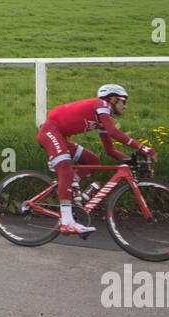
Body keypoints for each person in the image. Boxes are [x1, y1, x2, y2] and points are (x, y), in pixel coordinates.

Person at [37, 84, 157, 236]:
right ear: (113, 99)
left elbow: (110, 150)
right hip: (50, 132)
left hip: (60, 136)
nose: (125, 107)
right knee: (66, 168)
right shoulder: (102, 105)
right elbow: (113, 132)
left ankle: (67, 183)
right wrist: (143, 148)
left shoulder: (102, 118)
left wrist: (131, 161)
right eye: (123, 102)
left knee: (93, 160)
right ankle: (67, 223)